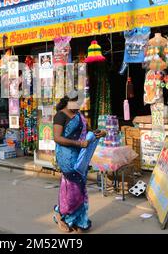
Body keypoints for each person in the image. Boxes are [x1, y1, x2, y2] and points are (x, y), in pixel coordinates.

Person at [52, 95, 106, 233]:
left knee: (79, 186)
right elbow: (57, 138)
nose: (79, 105)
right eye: (76, 102)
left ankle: (77, 220)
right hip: (66, 156)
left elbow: (87, 131)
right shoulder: (60, 116)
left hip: (80, 155)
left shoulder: (79, 115)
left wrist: (96, 133)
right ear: (68, 103)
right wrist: (79, 143)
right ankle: (63, 216)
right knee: (73, 187)